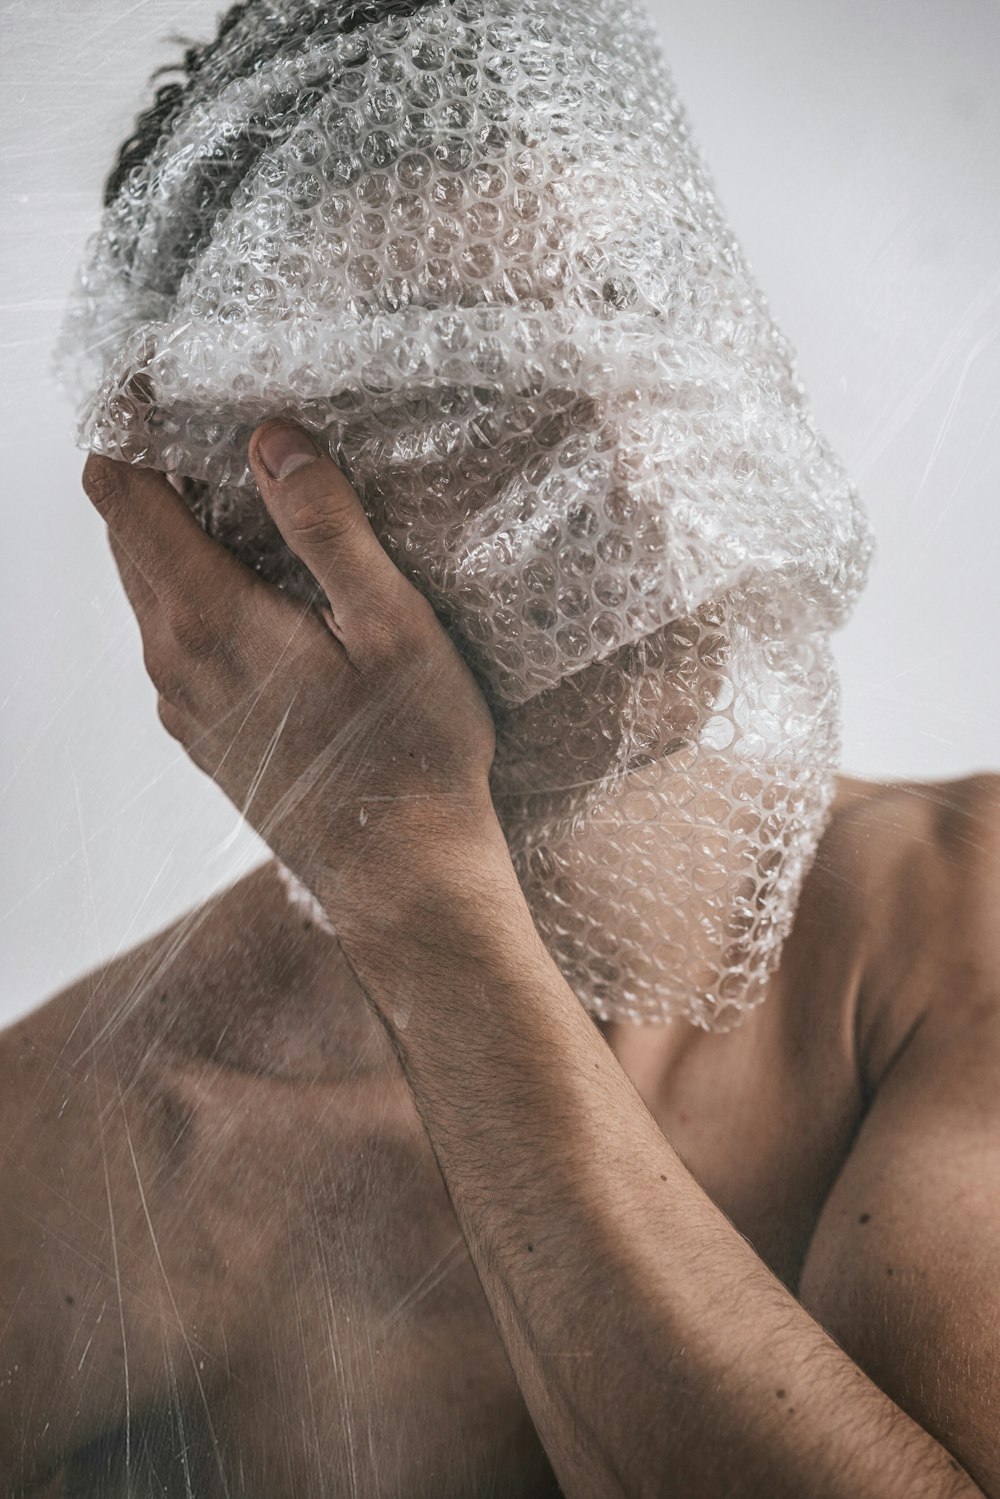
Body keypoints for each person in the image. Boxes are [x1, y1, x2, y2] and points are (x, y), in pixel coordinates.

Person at [3, 4, 1000, 1497]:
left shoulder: (962, 922)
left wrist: (413, 892)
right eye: (474, 382)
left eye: (629, 304)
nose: (630, 467)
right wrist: (405, 880)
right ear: (233, 526)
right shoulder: (97, 1162)